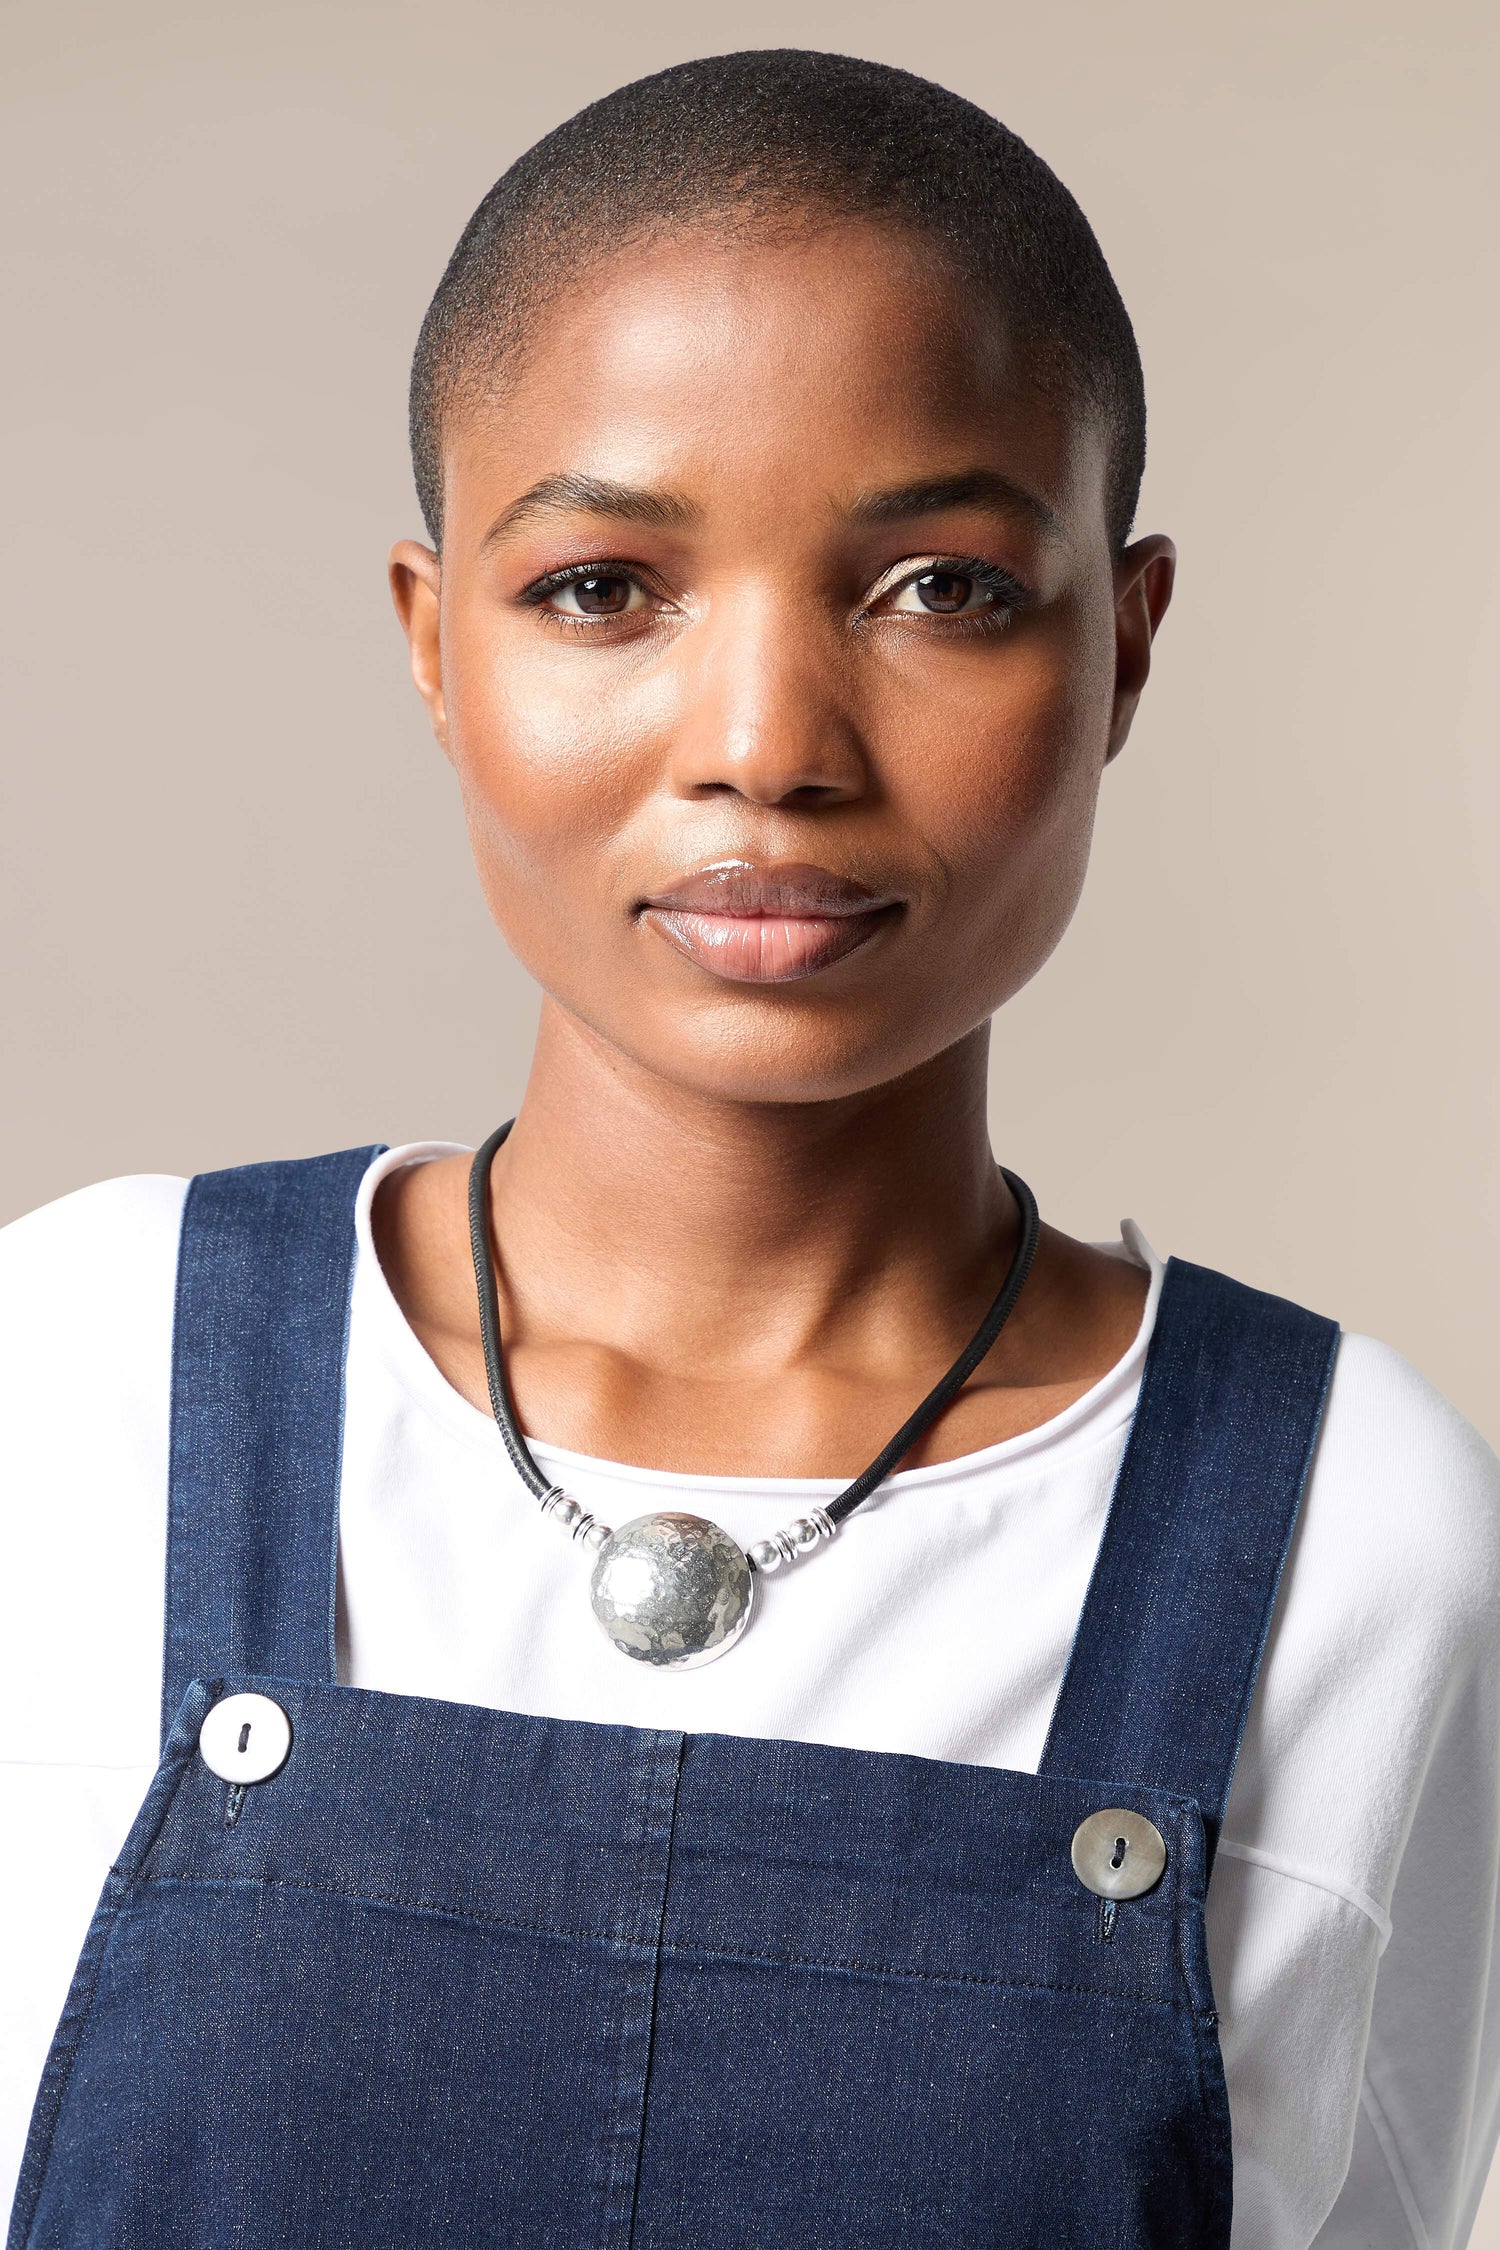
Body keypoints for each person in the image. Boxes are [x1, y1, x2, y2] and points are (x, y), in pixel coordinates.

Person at [1, 47, 1496, 2250]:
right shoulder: (76, 1372)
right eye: (606, 587)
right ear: (438, 645)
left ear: (1126, 645)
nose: (766, 749)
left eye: (943, 591)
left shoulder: (1354, 1539)